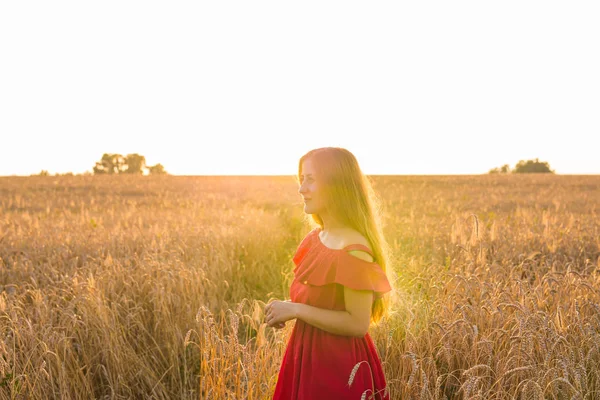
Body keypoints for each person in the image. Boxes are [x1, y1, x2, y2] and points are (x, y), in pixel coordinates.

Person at [265, 147, 393, 400]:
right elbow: (323, 302)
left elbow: (357, 324)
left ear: (337, 184)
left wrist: (296, 310)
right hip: (305, 360)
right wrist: (287, 308)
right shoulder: (316, 239)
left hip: (338, 373)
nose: (301, 189)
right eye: (301, 180)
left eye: (310, 179)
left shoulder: (354, 251)